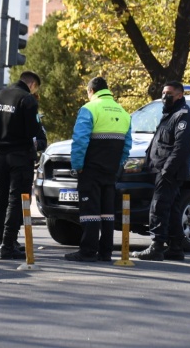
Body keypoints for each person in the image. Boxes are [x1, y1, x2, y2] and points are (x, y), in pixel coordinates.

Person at [65, 77, 132, 262]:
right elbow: (127, 146)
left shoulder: (89, 109)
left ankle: (87, 251)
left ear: (91, 91)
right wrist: (118, 165)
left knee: (90, 211)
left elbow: (80, 140)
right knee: (107, 212)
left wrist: (77, 166)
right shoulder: (124, 112)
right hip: (110, 171)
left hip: (90, 169)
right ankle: (105, 252)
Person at [130, 81, 190, 261]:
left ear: (180, 95)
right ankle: (175, 247)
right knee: (172, 209)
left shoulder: (183, 117)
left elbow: (181, 148)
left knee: (158, 206)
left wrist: (167, 170)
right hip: (160, 169)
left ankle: (157, 246)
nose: (164, 97)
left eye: (169, 93)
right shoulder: (170, 114)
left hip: (169, 171)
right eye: (163, 93)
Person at [0, 70, 46, 260]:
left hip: (1, 156)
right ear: (32, 84)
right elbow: (33, 131)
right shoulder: (27, 100)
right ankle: (8, 244)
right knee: (16, 202)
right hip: (20, 157)